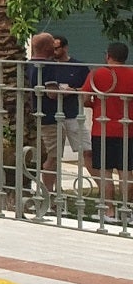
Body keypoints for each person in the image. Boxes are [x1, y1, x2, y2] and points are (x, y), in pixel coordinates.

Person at [24, 32, 87, 200]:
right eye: (52, 45)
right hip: (50, 115)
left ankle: (49, 193)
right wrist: (65, 91)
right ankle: (49, 195)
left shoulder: (28, 64)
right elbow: (51, 93)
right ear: (46, 47)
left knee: (45, 155)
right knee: (52, 157)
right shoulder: (49, 65)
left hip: (36, 114)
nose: (54, 48)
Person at [83, 41, 133, 224]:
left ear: (108, 56)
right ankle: (127, 211)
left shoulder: (98, 74)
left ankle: (109, 212)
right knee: (126, 172)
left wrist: (95, 104)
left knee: (105, 172)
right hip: (128, 130)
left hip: (102, 129)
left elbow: (85, 98)